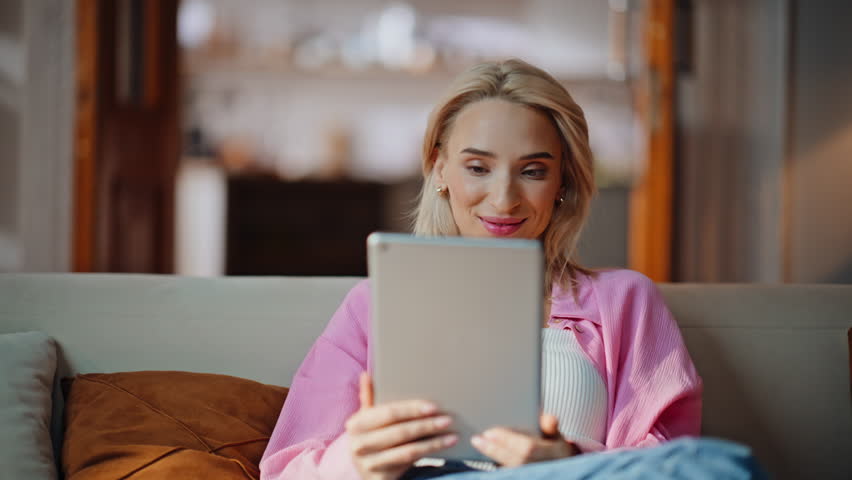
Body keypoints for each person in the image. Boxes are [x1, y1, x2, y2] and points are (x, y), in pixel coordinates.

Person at [260, 59, 759, 480]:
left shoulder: (624, 299)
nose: (503, 199)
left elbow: (661, 459)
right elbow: (285, 470)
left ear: (563, 181)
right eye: (478, 167)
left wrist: (567, 460)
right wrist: (356, 462)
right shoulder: (373, 303)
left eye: (533, 171)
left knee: (710, 466)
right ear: (439, 168)